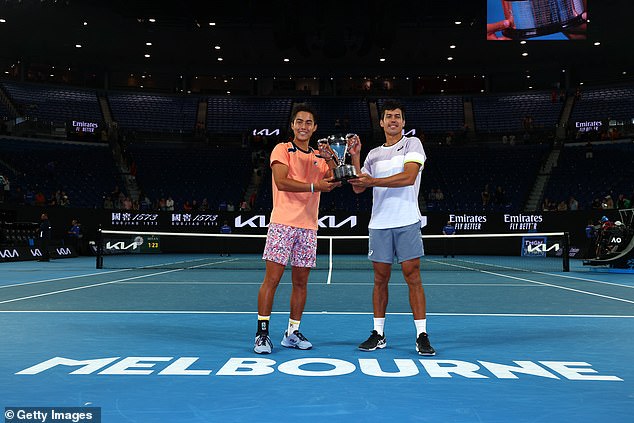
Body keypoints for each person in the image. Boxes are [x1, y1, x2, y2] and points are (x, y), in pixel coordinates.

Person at [349, 100, 435, 356]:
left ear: (403, 122)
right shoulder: (373, 154)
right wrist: (355, 156)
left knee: (413, 277)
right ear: (382, 122)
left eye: (398, 116)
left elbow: (409, 177)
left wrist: (373, 180)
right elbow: (357, 186)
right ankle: (378, 333)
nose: (393, 120)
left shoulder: (413, 144)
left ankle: (421, 335)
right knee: (380, 280)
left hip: (407, 220)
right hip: (379, 224)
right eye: (389, 116)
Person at [253, 103, 341, 354]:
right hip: (282, 223)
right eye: (299, 122)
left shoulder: (318, 156)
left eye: (308, 123)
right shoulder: (282, 149)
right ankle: (262, 334)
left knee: (301, 283)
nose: (303, 126)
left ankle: (292, 332)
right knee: (272, 280)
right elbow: (281, 182)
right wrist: (314, 187)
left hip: (308, 227)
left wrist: (331, 158)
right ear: (292, 125)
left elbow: (334, 180)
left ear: (314, 128)